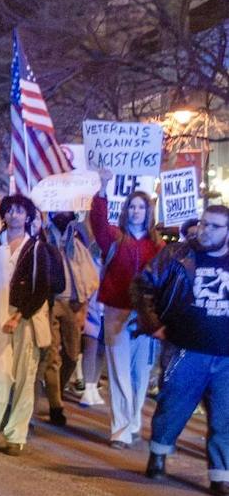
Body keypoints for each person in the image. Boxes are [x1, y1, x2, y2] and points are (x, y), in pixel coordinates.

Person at [135, 204, 229, 496]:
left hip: (225, 356)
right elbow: (142, 286)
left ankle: (220, 475)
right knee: (172, 407)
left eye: (215, 226)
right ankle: (159, 455)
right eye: (204, 223)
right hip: (186, 349)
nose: (206, 230)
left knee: (225, 417)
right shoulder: (179, 254)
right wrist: (153, 324)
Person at [0, 194, 65, 456]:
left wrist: (21, 314)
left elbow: (43, 286)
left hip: (26, 316)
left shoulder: (37, 248)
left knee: (25, 376)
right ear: (3, 215)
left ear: (28, 216)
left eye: (19, 211)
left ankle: (16, 433)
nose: (14, 215)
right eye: (9, 210)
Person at [89, 172, 164, 448]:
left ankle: (134, 422)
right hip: (116, 311)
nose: (136, 211)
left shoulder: (157, 245)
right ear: (126, 210)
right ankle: (120, 429)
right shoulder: (114, 238)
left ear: (148, 211)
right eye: (132, 206)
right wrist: (103, 188)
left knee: (139, 374)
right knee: (118, 369)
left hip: (145, 316)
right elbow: (97, 221)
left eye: (141, 207)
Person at [41, 211, 100, 426]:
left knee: (73, 355)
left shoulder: (77, 243)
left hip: (73, 306)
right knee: (51, 356)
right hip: (50, 302)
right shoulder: (43, 239)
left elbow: (90, 276)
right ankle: (56, 405)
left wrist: (83, 309)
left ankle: (57, 389)